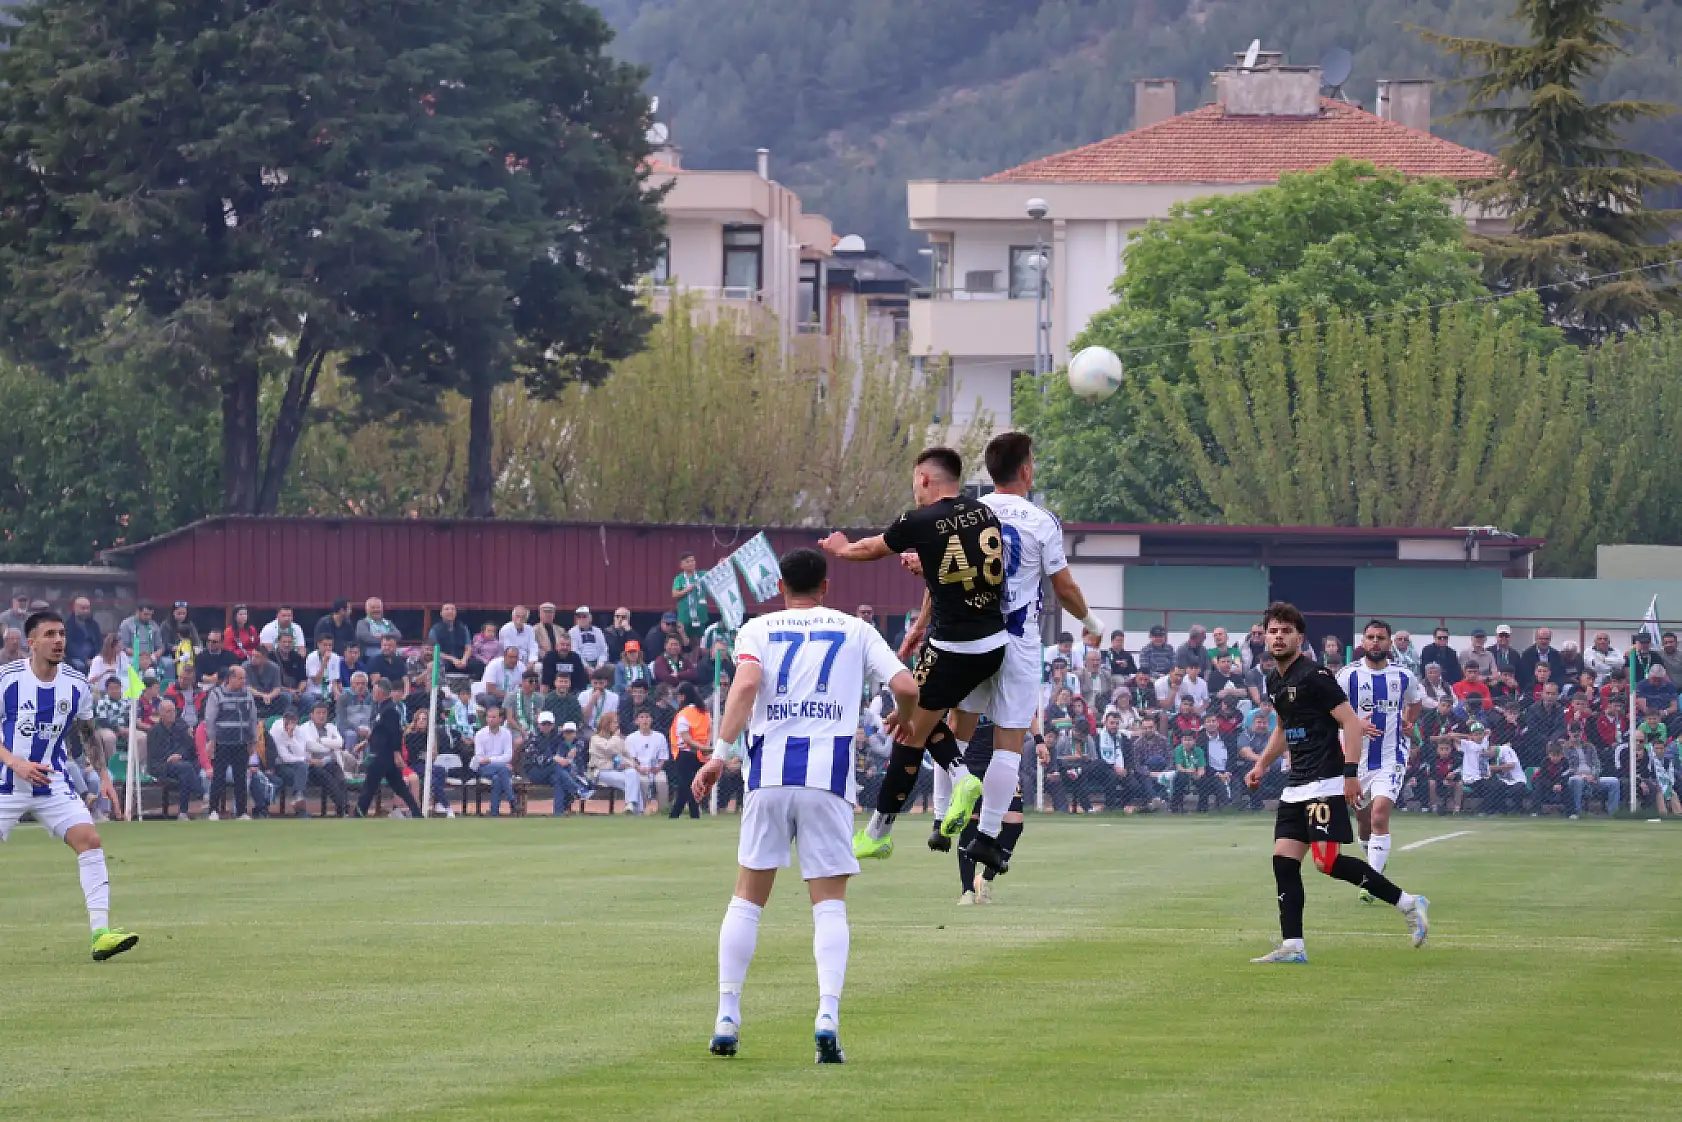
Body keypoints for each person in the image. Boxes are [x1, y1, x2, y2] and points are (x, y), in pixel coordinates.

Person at [692, 545, 917, 1063]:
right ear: (826, 587)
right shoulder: (854, 628)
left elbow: (746, 683)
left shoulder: (757, 629)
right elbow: (905, 684)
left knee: (747, 899)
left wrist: (718, 755)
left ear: (778, 588)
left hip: (768, 777)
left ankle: (727, 1016)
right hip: (828, 781)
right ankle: (827, 1016)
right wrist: (906, 718)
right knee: (830, 905)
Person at [821, 445, 1001, 861]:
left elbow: (870, 549)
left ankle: (882, 831)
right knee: (918, 718)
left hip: (954, 647)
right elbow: (956, 573)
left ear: (924, 479)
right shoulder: (982, 513)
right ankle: (957, 778)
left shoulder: (920, 520)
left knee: (907, 731)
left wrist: (840, 547)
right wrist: (920, 625)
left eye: (914, 483)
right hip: (993, 644)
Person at [1244, 602, 1430, 963]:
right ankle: (1293, 945)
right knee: (1283, 861)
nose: (1278, 636)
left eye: (1286, 631)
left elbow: (1350, 723)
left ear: (1299, 637)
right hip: (1296, 783)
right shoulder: (1274, 679)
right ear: (1265, 635)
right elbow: (1283, 727)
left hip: (1325, 781)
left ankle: (1409, 903)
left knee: (1326, 863)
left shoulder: (1316, 676)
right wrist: (1262, 765)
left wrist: (1349, 775)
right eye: (1273, 630)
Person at [0, 610, 140, 961]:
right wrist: (13, 761)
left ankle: (101, 934)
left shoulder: (76, 684)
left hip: (52, 784)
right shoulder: (7, 679)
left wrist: (104, 777)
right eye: (49, 634)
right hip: (6, 784)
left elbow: (88, 733)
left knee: (90, 841)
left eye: (61, 633)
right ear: (31, 642)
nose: (58, 640)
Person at [1336, 620, 1425, 900]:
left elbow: (1416, 701)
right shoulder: (1347, 676)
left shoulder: (1403, 675)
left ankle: (1372, 885)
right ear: (1363, 641)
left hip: (1392, 755)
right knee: (1363, 822)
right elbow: (1330, 712)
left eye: (1381, 638)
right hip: (1356, 758)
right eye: (1370, 637)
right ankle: (1376, 867)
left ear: (1390, 643)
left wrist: (1409, 723)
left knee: (1379, 815)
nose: (1375, 642)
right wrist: (1354, 724)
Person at [355, 679, 421, 818]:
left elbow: (395, 733)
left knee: (370, 784)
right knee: (399, 787)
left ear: (381, 691)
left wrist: (397, 753)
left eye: (375, 689)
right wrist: (366, 742)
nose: (372, 692)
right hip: (383, 754)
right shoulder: (382, 708)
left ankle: (358, 813)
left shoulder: (390, 710)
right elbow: (379, 732)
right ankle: (416, 812)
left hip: (383, 754)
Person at [204, 665, 261, 820]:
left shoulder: (247, 695)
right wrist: (212, 740)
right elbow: (210, 719)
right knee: (218, 777)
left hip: (241, 742)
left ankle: (242, 812)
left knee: (241, 778)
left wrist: (253, 741)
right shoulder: (216, 694)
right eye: (241, 678)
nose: (244, 681)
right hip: (222, 742)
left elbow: (252, 719)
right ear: (231, 678)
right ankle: (213, 810)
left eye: (244, 678)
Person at [299, 699, 350, 816]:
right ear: (311, 715)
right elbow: (312, 746)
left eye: (324, 713)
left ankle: (342, 809)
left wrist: (321, 741)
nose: (321, 716)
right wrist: (330, 747)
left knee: (340, 777)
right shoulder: (303, 728)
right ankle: (343, 807)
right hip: (312, 765)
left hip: (330, 763)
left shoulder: (331, 727)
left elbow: (340, 743)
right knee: (328, 778)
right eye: (318, 713)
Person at [667, 684, 711, 819]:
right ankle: (685, 815)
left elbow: (685, 737)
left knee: (687, 787)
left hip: (685, 753)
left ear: (682, 696)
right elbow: (709, 731)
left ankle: (681, 815)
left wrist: (701, 747)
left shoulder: (684, 713)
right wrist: (705, 747)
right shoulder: (705, 712)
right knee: (688, 786)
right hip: (699, 755)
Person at [585, 711, 641, 812]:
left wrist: (630, 764)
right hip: (600, 772)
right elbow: (608, 748)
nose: (617, 725)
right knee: (632, 782)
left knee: (633, 774)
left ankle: (631, 805)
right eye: (614, 722)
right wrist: (616, 737)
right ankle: (638, 811)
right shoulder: (595, 739)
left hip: (617, 771)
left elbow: (626, 755)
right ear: (607, 723)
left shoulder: (617, 739)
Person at [625, 707, 669, 813]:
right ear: (636, 721)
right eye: (642, 717)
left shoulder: (660, 737)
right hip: (639, 770)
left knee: (662, 781)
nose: (645, 720)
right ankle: (640, 810)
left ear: (651, 720)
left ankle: (663, 810)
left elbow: (663, 757)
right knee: (643, 782)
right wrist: (639, 768)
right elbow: (631, 758)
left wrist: (658, 767)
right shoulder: (631, 738)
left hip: (655, 769)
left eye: (647, 717)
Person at [672, 551, 709, 647]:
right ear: (682, 565)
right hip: (685, 616)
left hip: (700, 615)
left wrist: (721, 563)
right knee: (684, 641)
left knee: (698, 641)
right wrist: (686, 590)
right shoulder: (679, 578)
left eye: (693, 560)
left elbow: (715, 573)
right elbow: (674, 594)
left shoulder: (701, 574)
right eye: (688, 561)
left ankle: (695, 661)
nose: (691, 563)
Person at [428, 603, 473, 678]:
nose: (450, 611)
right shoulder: (435, 630)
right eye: (447, 609)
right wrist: (452, 659)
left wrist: (464, 660)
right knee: (436, 665)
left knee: (479, 665)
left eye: (452, 609)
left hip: (461, 660)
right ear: (441, 613)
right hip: (445, 660)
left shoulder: (463, 628)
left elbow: (468, 647)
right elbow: (434, 651)